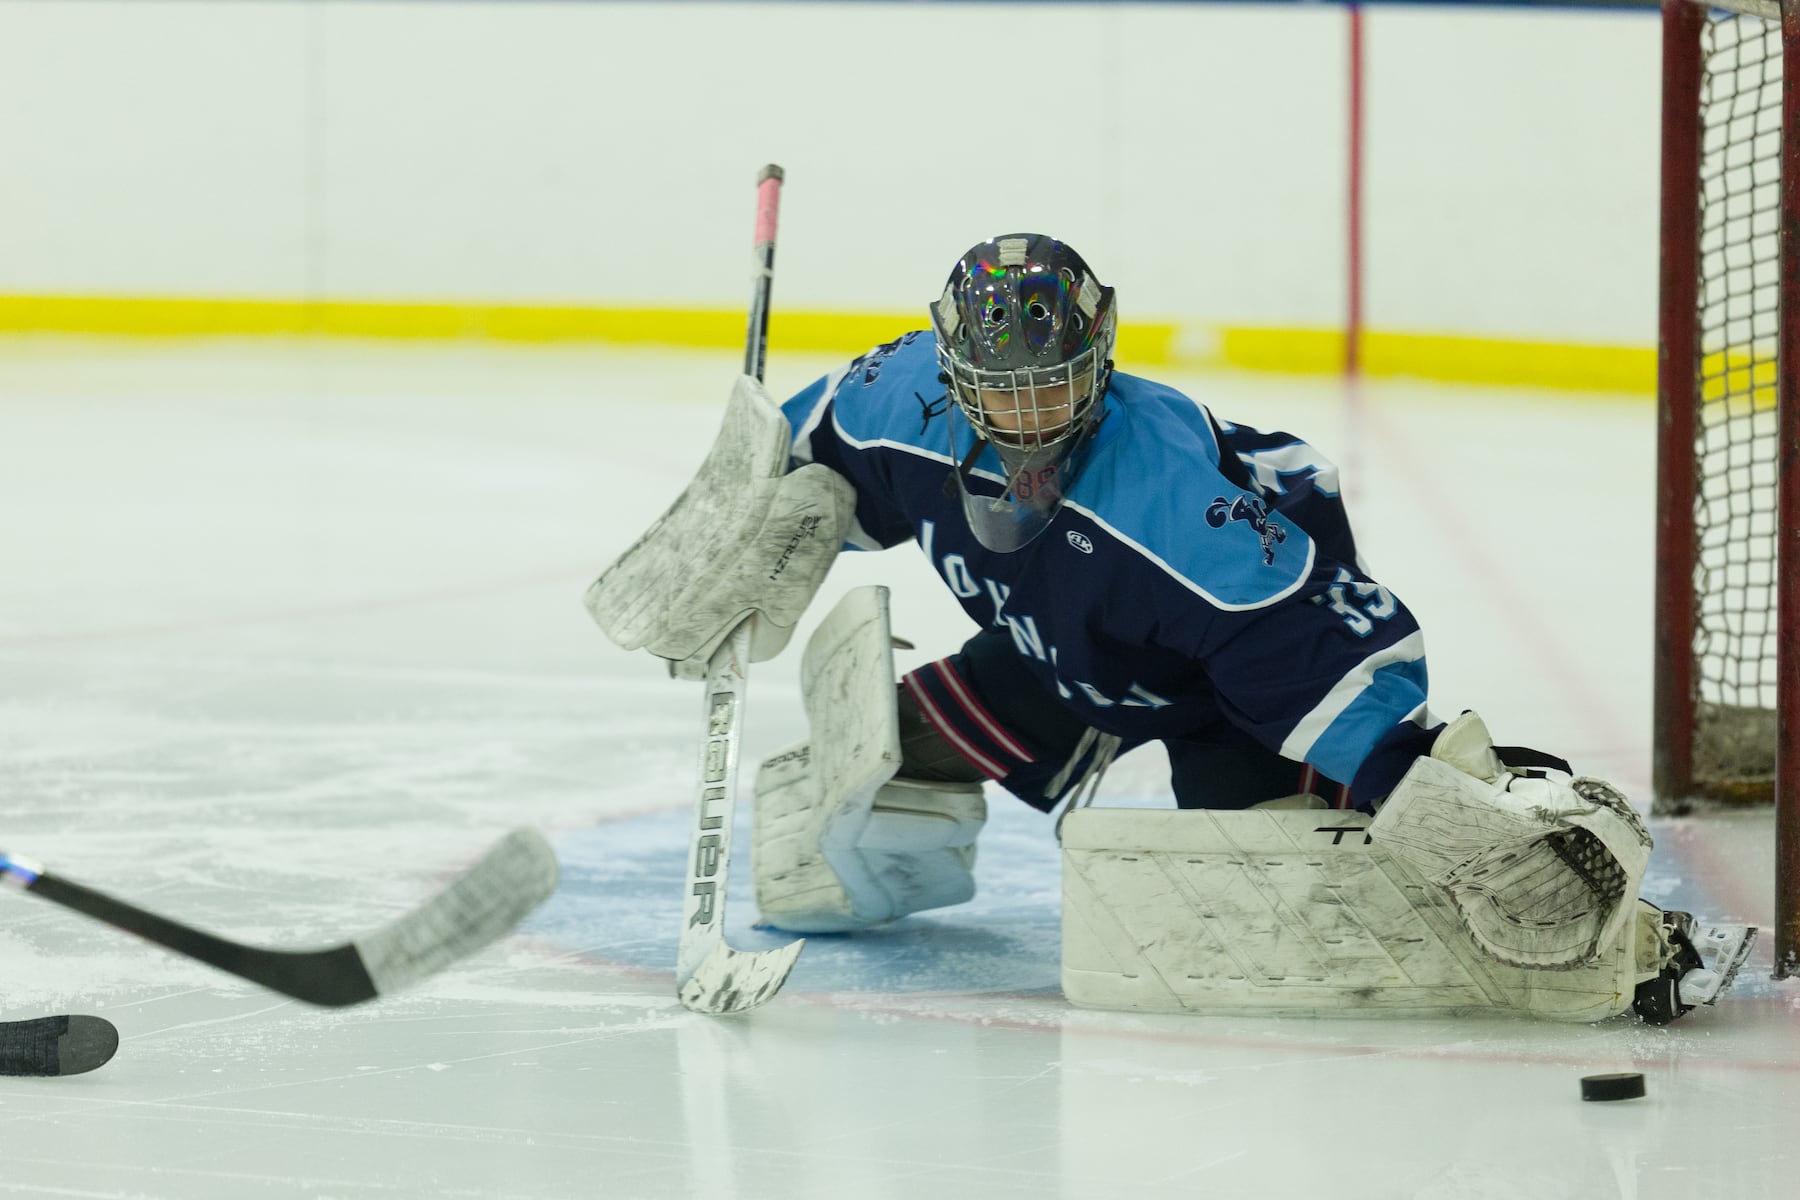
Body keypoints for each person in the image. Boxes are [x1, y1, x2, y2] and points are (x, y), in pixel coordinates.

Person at [588, 233, 1751, 1022]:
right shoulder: (901, 402)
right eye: (1002, 386)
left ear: (1099, 357)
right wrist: (751, 532)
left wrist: (1406, 782)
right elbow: (808, 449)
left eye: (1055, 381)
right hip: (1067, 649)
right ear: (951, 367)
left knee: (1289, 869)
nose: (1030, 412)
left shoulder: (1168, 513)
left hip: (1211, 675)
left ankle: (1614, 918)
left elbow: (1323, 649)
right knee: (887, 747)